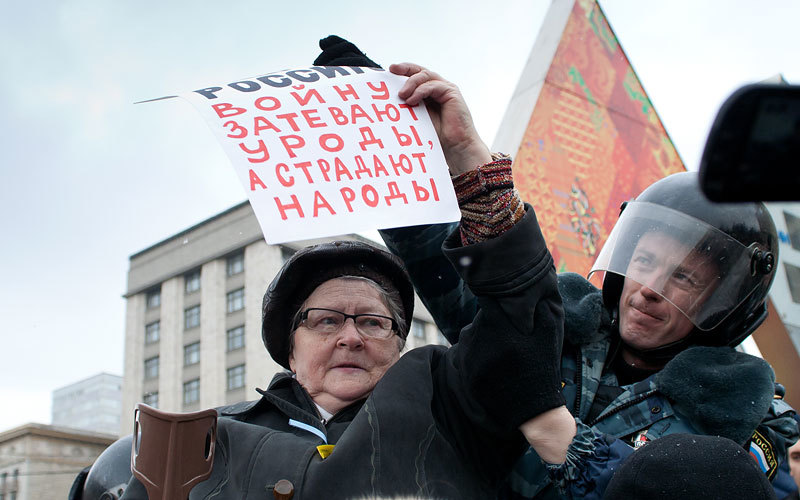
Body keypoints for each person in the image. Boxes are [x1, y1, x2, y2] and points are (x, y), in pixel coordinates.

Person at [72, 55, 575, 499]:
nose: (352, 337)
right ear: (289, 349)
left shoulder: (456, 410)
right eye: (326, 320)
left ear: (401, 343)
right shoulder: (204, 442)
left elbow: (521, 316)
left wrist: (467, 156)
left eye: (375, 322)